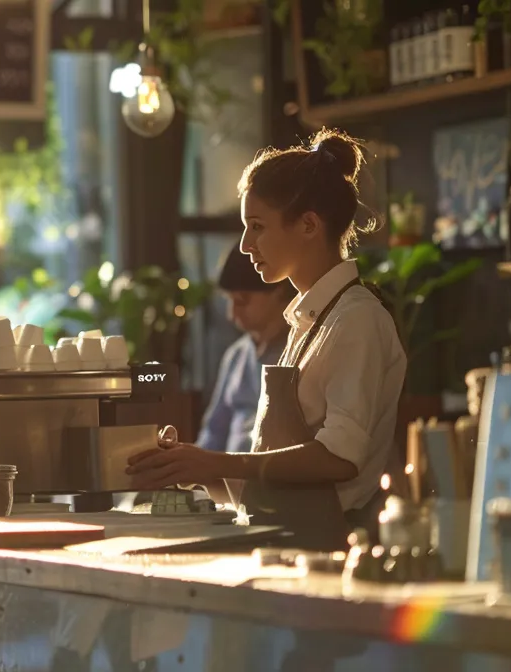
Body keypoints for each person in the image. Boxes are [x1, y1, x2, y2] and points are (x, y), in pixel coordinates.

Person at [127, 129, 407, 549]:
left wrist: (217, 460)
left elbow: (340, 458)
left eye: (256, 227)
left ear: (309, 224)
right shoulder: (309, 322)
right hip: (282, 542)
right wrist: (194, 468)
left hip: (330, 549)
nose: (245, 245)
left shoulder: (357, 320)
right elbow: (264, 489)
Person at [196, 248, 297, 454]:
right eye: (229, 301)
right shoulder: (237, 355)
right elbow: (214, 431)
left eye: (242, 300)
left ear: (278, 291)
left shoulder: (299, 351)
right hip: (225, 480)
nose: (232, 313)